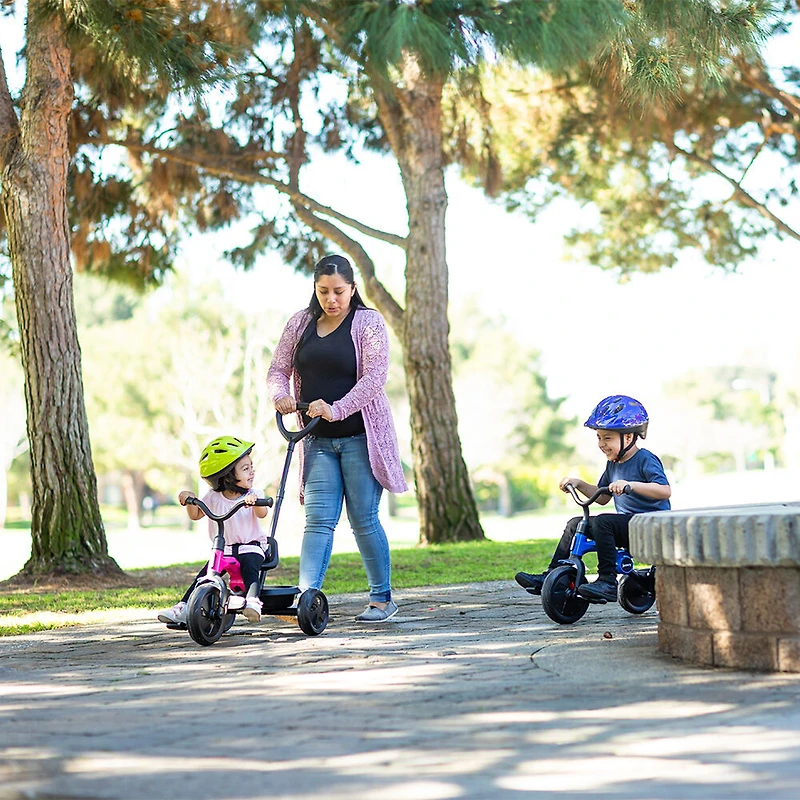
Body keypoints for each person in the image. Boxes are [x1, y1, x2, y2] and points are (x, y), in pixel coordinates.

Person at [267, 253, 407, 623]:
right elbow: (278, 369)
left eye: (339, 292)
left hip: (361, 437)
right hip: (316, 441)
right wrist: (279, 395)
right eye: (324, 291)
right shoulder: (300, 323)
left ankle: (382, 599)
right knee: (318, 521)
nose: (331, 299)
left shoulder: (368, 323)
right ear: (315, 289)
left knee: (363, 519)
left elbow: (375, 378)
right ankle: (306, 598)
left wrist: (337, 408)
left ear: (352, 289)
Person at [515, 395, 671, 603]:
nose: (601, 444)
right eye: (599, 437)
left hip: (652, 526)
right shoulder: (613, 463)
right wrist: (579, 484)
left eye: (607, 438)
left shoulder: (645, 459)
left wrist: (630, 485)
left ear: (628, 437)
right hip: (628, 526)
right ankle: (552, 574)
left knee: (604, 522)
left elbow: (664, 490)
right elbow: (602, 496)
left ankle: (607, 581)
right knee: (575, 524)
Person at [157, 435, 270, 625]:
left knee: (251, 566)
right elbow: (196, 514)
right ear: (227, 476)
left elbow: (263, 513)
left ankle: (252, 601)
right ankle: (183, 607)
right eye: (245, 469)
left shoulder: (253, 494)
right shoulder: (213, 496)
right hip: (224, 549)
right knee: (204, 575)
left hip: (251, 545)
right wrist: (190, 500)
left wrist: (255, 503)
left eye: (251, 467)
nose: (252, 472)